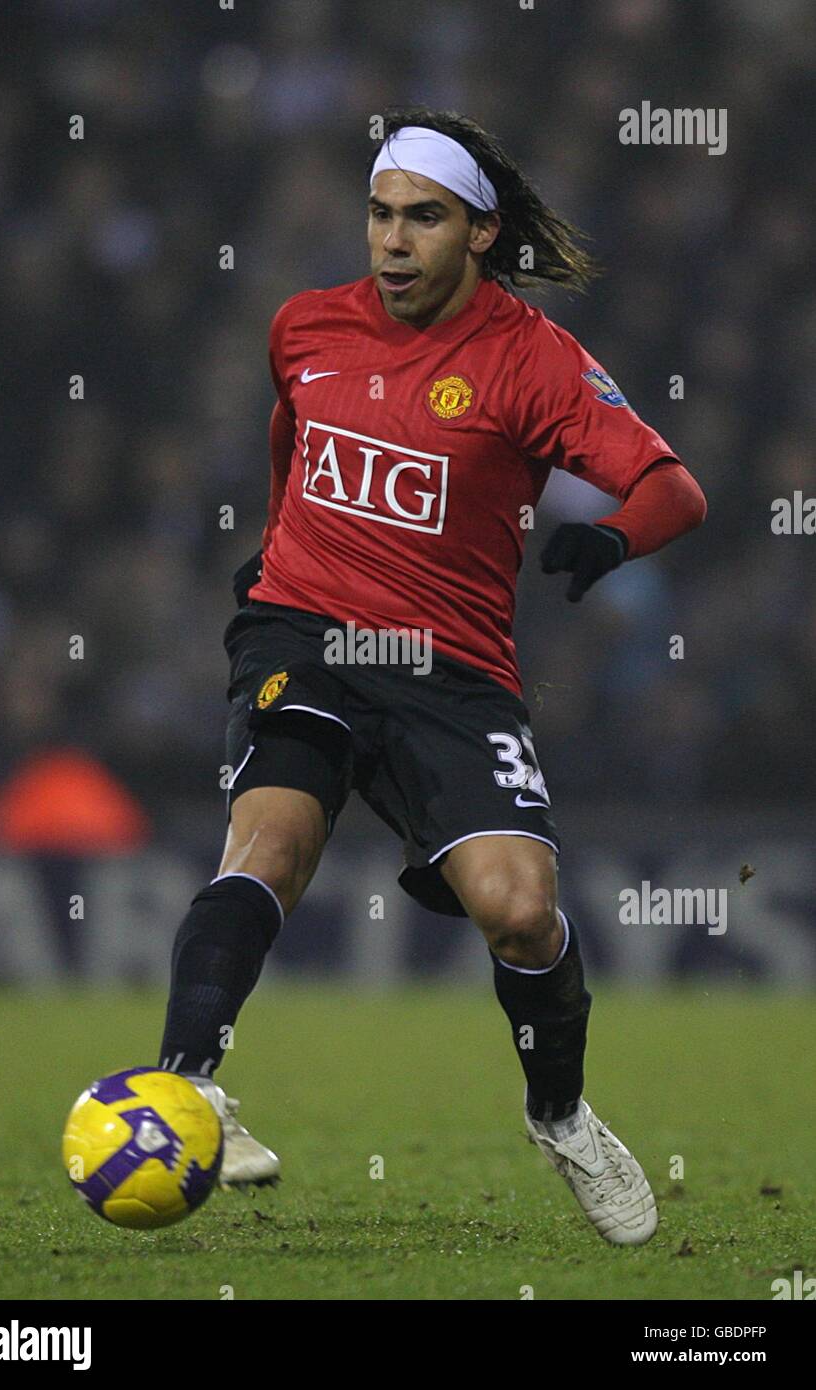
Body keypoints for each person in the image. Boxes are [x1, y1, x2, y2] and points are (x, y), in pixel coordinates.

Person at [158, 106, 706, 1246]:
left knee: (519, 912)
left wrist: (610, 539)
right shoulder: (306, 327)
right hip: (300, 632)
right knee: (270, 839)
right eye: (379, 213)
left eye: (424, 218)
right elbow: (291, 445)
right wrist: (276, 552)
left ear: (479, 232)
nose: (393, 240)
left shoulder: (533, 360)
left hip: (449, 669)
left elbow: (672, 488)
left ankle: (557, 1112)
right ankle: (187, 1086)